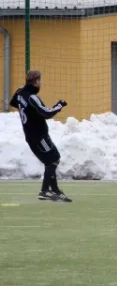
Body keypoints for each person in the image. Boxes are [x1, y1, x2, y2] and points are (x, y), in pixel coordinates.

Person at [10, 70, 72, 202]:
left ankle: (54, 190)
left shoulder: (21, 94)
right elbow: (46, 113)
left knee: (50, 161)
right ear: (36, 81)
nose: (41, 83)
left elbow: (13, 102)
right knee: (54, 159)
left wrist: (19, 90)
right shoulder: (32, 97)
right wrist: (59, 105)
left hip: (30, 136)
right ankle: (45, 191)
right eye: (40, 80)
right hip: (39, 136)